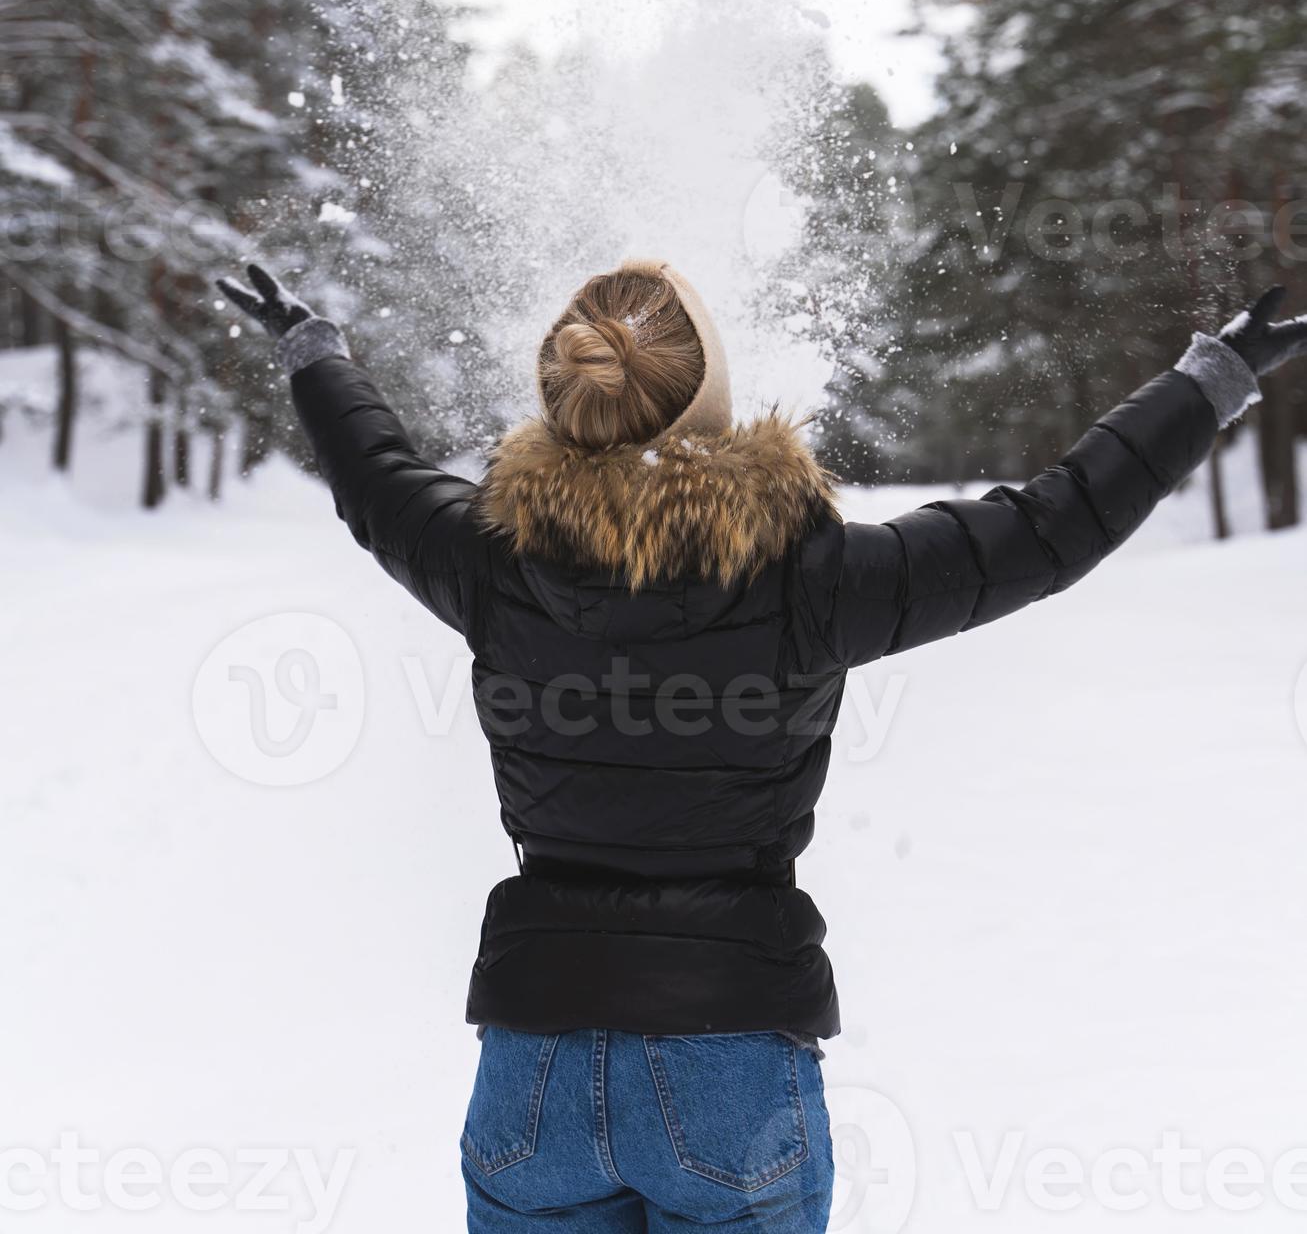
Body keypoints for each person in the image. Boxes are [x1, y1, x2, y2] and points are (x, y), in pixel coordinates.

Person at [219, 255, 1306, 1233]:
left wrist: (313, 351)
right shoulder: (810, 578)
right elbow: (1048, 526)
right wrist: (1207, 378)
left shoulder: (493, 565)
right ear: (710, 398)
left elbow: (374, 480)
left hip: (531, 1067)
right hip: (728, 1064)